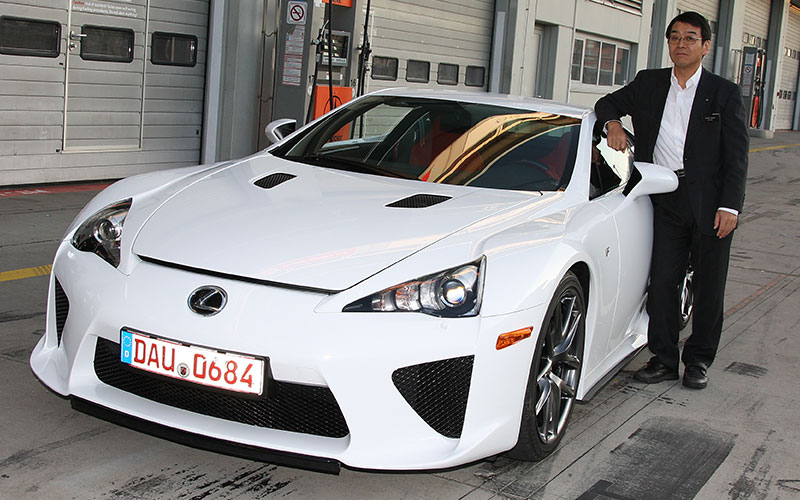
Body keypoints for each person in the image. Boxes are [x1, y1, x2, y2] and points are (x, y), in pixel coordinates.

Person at [595, 11, 749, 389]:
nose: (681, 44)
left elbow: (737, 154)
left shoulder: (723, 92)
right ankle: (663, 357)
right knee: (663, 282)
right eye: (675, 37)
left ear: (705, 46)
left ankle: (698, 361)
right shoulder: (649, 83)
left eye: (690, 38)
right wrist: (613, 124)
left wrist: (730, 206)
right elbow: (607, 103)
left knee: (709, 286)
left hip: (710, 204)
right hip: (662, 197)